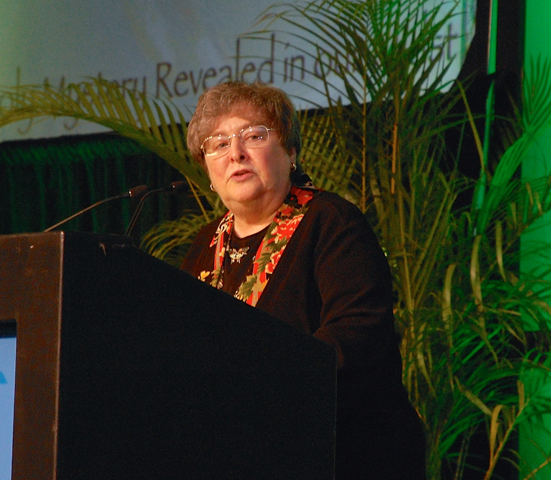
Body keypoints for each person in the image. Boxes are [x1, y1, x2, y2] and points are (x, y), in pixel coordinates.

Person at [181, 81, 426, 480]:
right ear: (207, 166)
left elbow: (358, 334)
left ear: (290, 151)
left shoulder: (331, 222)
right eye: (219, 144)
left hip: (342, 455)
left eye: (254, 136)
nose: (236, 153)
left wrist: (264, 392)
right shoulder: (205, 244)